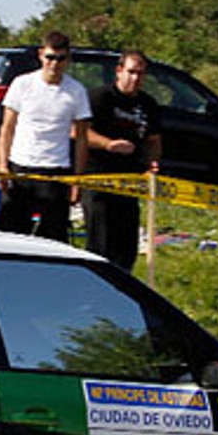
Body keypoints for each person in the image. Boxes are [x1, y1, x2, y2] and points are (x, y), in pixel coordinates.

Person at [0, 31, 90, 242]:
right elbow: (7, 128)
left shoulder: (76, 91)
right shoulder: (22, 84)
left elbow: (82, 139)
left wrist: (77, 181)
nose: (54, 64)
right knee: (9, 236)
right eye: (50, 57)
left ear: (68, 59)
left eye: (60, 59)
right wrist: (3, 166)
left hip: (56, 173)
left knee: (53, 239)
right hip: (20, 169)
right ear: (41, 55)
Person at [82, 50, 162, 271]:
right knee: (101, 246)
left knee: (126, 248)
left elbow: (153, 140)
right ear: (119, 71)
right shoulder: (99, 97)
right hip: (99, 180)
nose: (135, 78)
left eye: (141, 74)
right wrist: (108, 144)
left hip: (130, 184)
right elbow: (79, 133)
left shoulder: (148, 104)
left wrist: (151, 165)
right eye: (131, 72)